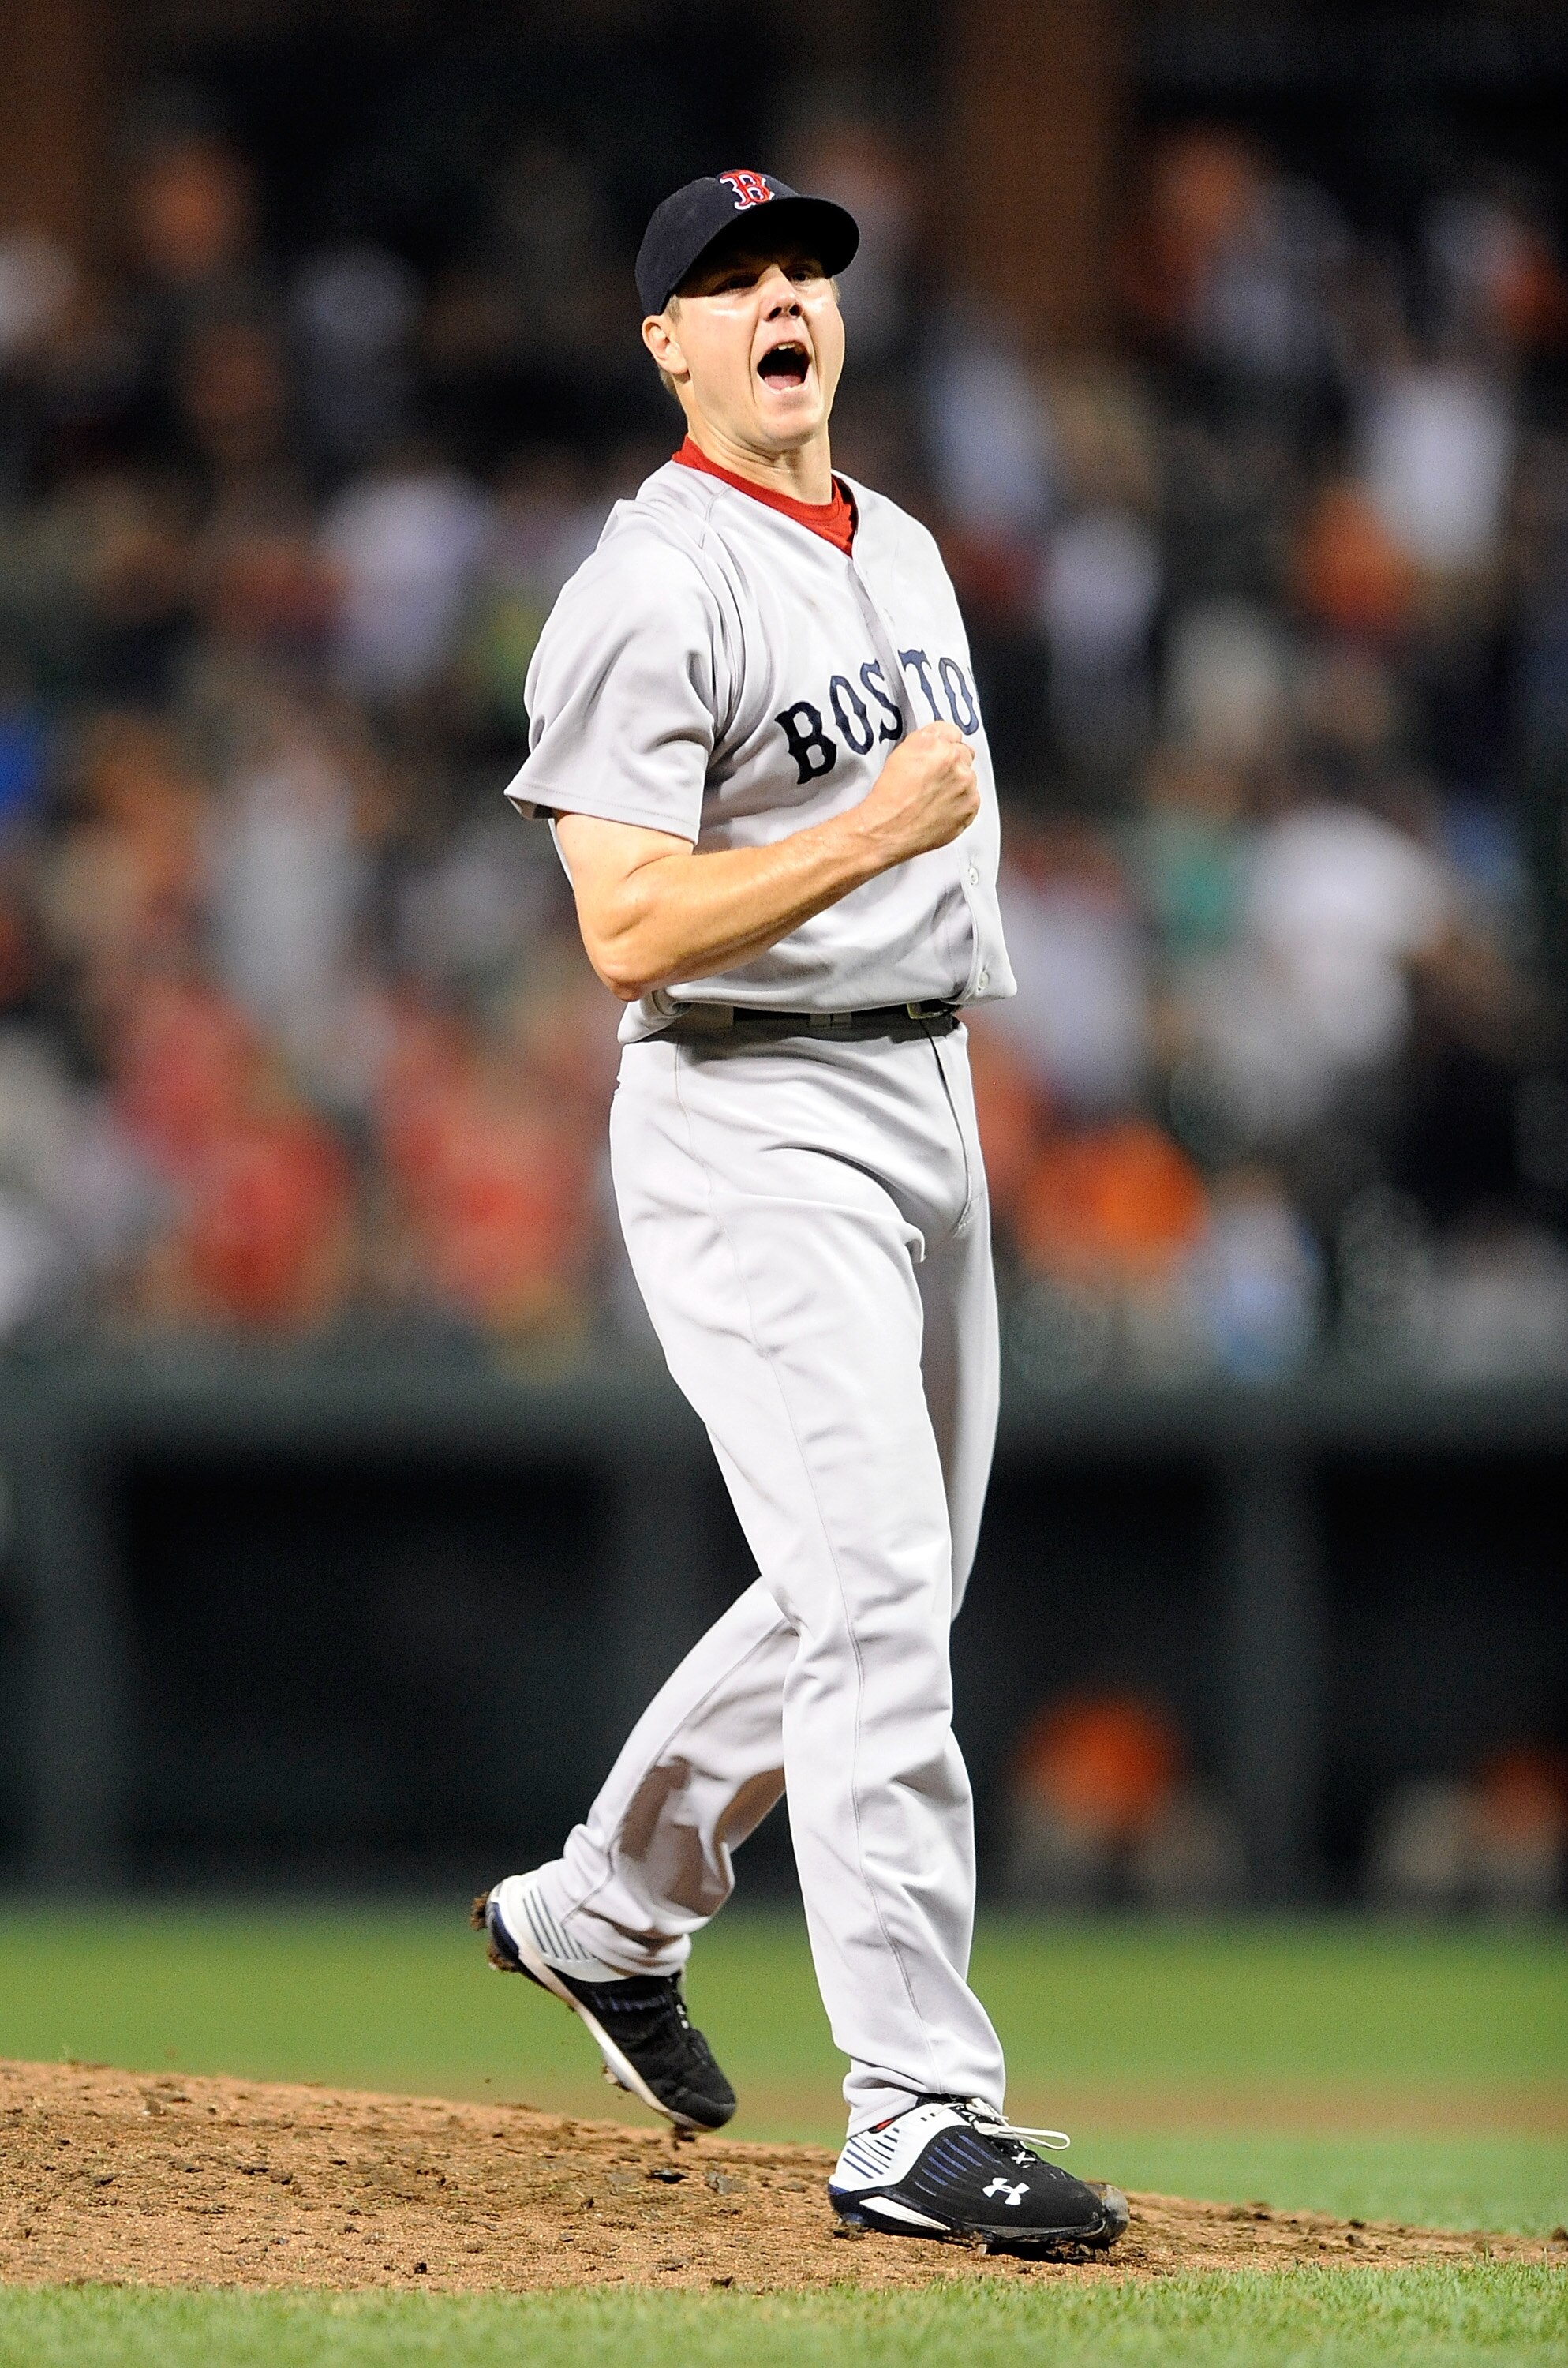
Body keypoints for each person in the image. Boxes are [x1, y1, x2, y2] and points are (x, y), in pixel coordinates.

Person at [472, 170, 1127, 2257]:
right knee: (867, 1611)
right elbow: (625, 921)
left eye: (803, 275)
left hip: (922, 1087)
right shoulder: (646, 587)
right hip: (748, 1111)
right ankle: (915, 2117)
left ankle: (601, 1911)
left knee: (883, 1593)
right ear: (665, 345)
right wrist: (867, 831)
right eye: (730, 284)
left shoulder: (906, 543)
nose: (780, 303)